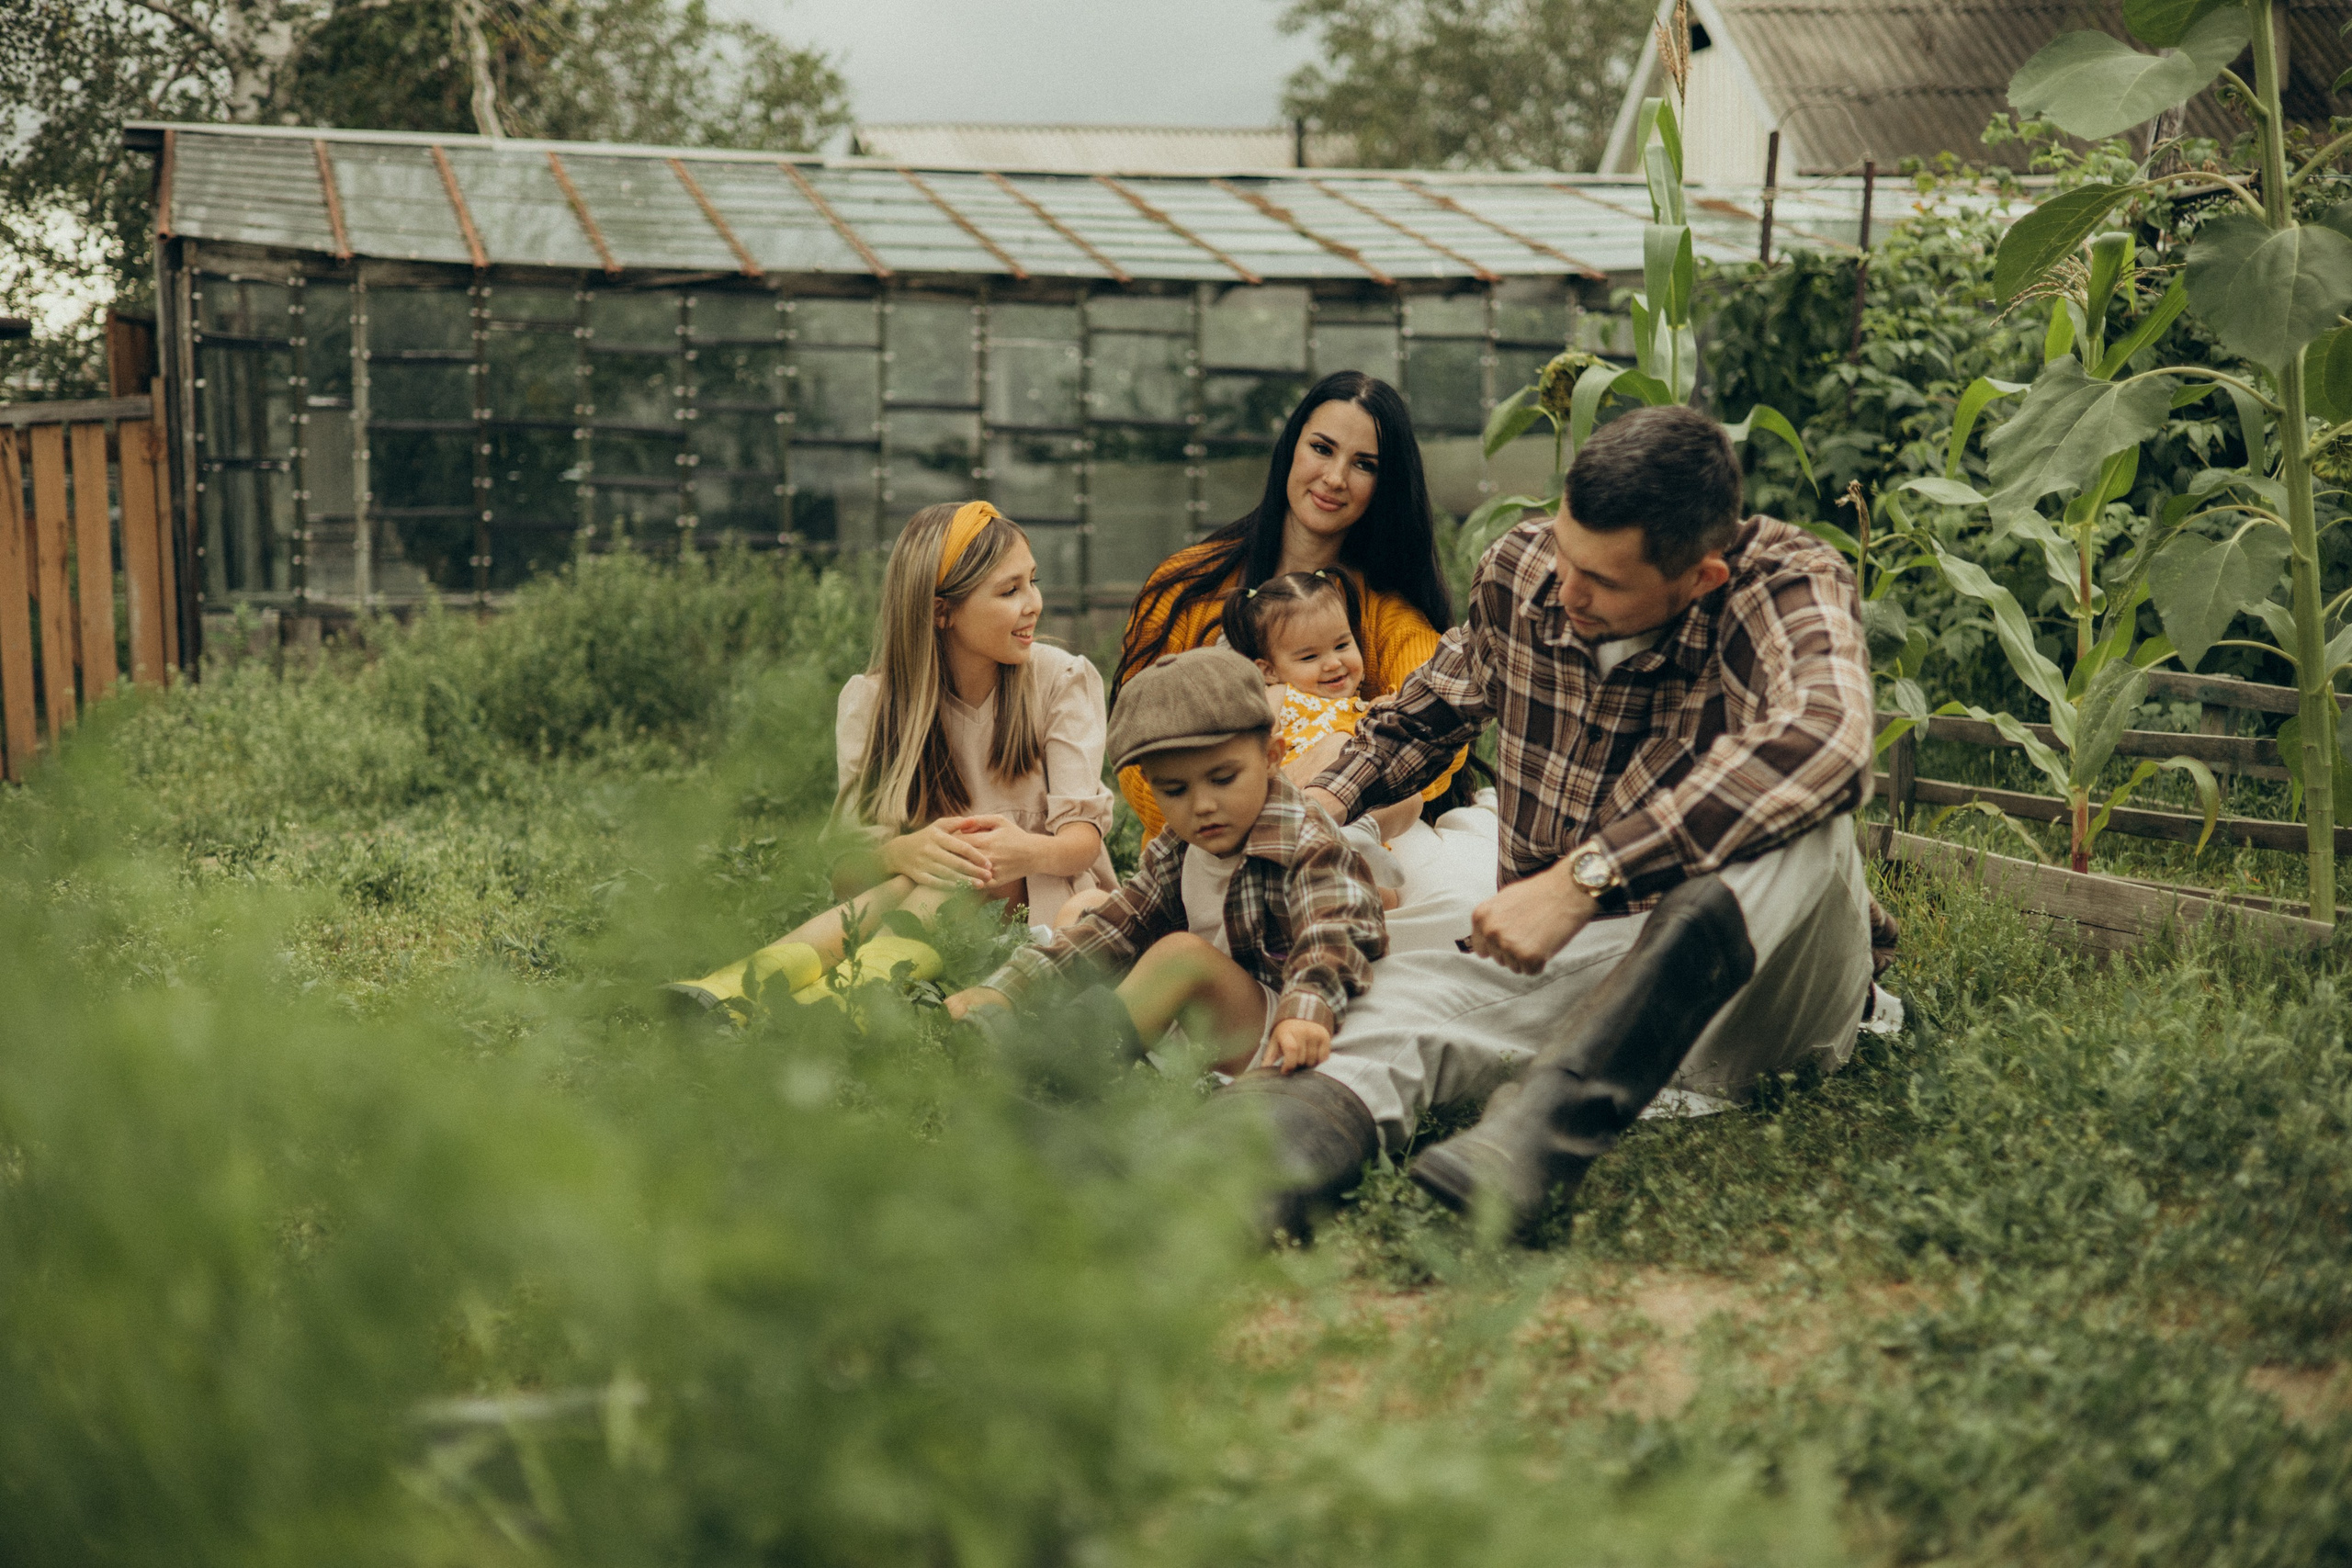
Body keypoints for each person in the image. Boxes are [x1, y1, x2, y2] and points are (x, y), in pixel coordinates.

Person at [1262, 404, 1886, 1242]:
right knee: (1400, 994)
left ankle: (1549, 1125)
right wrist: (1322, 809)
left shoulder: (1782, 581)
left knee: (1807, 816)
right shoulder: (1521, 569)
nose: (1567, 590)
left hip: (1763, 987)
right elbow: (1417, 719)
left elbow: (1827, 740)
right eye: (1565, 550)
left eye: (1604, 582)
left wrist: (1589, 875)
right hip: (1575, 968)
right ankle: (1248, 1172)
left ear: (1699, 578)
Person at [672, 500, 1116, 1013]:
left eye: (1032, 582)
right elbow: (848, 873)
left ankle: (821, 1005)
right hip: (923, 899)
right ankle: (725, 995)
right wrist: (899, 853)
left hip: (1045, 898)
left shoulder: (1059, 680)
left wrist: (1022, 850)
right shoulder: (873, 702)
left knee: (952, 875)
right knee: (914, 879)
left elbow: (1082, 842)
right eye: (1010, 590)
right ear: (939, 610)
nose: (1034, 603)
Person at [944, 646, 1386, 1098]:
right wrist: (1007, 988)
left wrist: (1305, 1011)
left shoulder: (1307, 844)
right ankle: (1049, 1041)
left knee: (1179, 956)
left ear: (1272, 757)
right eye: (1174, 789)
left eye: (1223, 778)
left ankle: (1058, 1074)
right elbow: (1115, 927)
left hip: (1286, 1032)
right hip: (1209, 1024)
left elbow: (1332, 936)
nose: (1202, 806)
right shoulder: (1178, 850)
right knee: (1095, 913)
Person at [1114, 370, 1464, 841]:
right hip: (1198, 842)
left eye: (1365, 465)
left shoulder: (1388, 614)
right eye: (1321, 449)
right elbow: (1137, 740)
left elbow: (1436, 722)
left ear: (1387, 484)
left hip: (1332, 836)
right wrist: (1221, 833)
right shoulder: (1187, 586)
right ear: (1290, 448)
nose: (1335, 478)